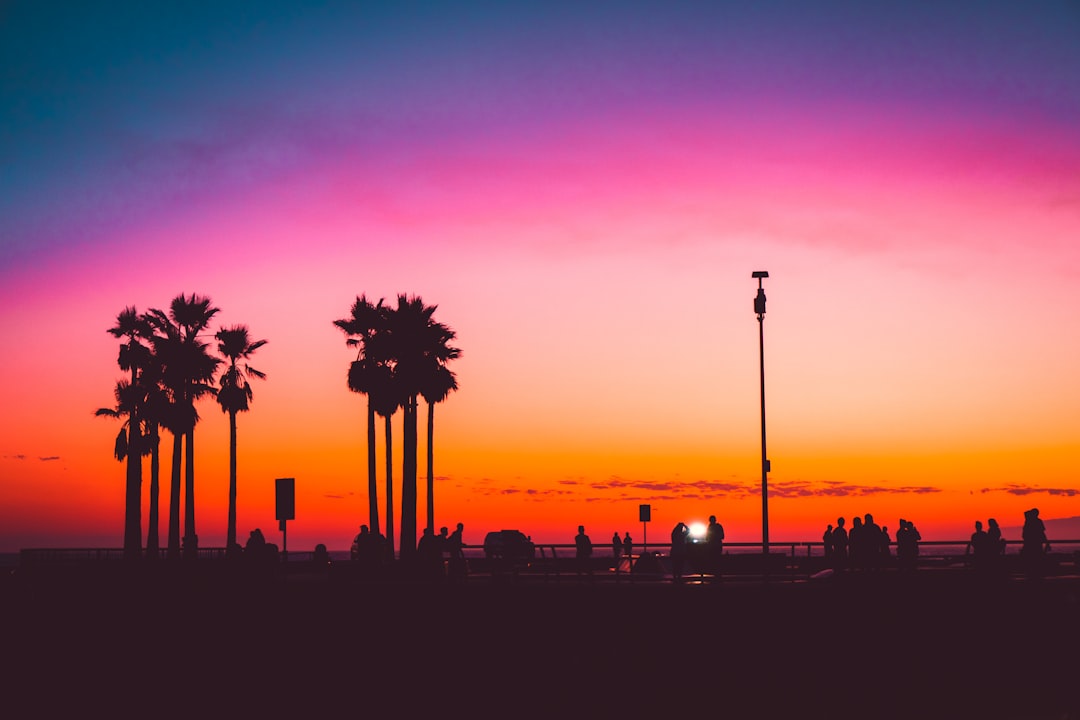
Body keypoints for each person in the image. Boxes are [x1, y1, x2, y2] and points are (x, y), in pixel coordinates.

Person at [1021, 508, 1050, 579]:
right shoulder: (1038, 521)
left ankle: (1031, 573)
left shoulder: (1028, 521)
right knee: (1036, 559)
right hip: (1036, 543)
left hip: (1030, 543)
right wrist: (1046, 541)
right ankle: (1036, 573)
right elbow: (1042, 532)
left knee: (1030, 559)